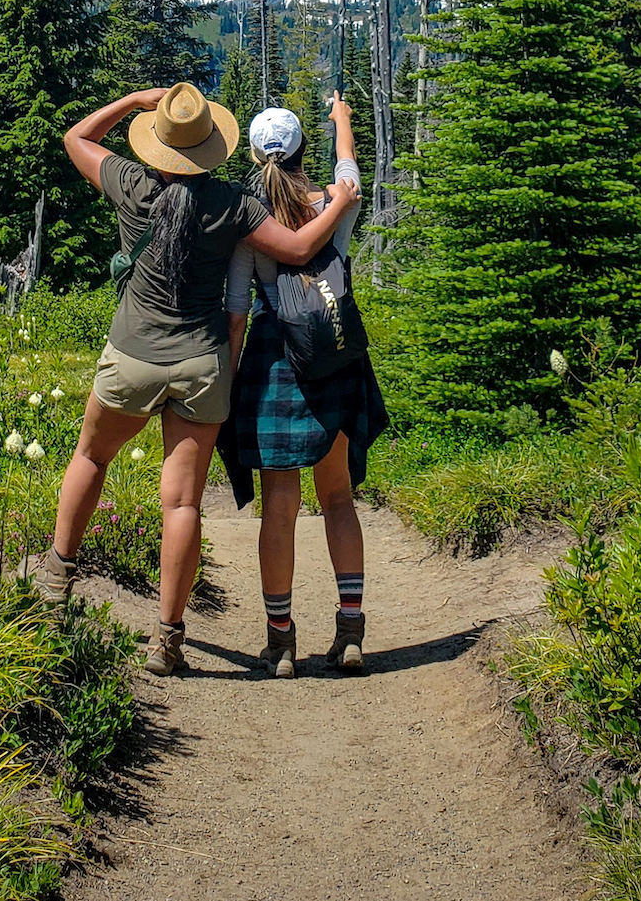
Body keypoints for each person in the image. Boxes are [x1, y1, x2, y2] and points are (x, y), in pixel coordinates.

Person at [37, 81, 361, 676]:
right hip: (201, 362)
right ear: (212, 143)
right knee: (183, 502)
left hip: (133, 352)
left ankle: (56, 580)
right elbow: (293, 248)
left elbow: (75, 137)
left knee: (90, 457)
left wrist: (135, 100)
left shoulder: (131, 183)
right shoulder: (232, 204)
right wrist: (340, 201)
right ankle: (168, 638)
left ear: (158, 141)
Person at [223, 92, 387, 678]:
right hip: (333, 355)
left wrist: (230, 379)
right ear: (298, 153)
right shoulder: (334, 202)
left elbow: (238, 307)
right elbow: (349, 172)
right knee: (338, 496)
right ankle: (350, 633)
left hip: (274, 363)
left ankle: (281, 641)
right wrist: (342, 119)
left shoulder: (248, 218)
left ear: (253, 152)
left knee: (280, 506)